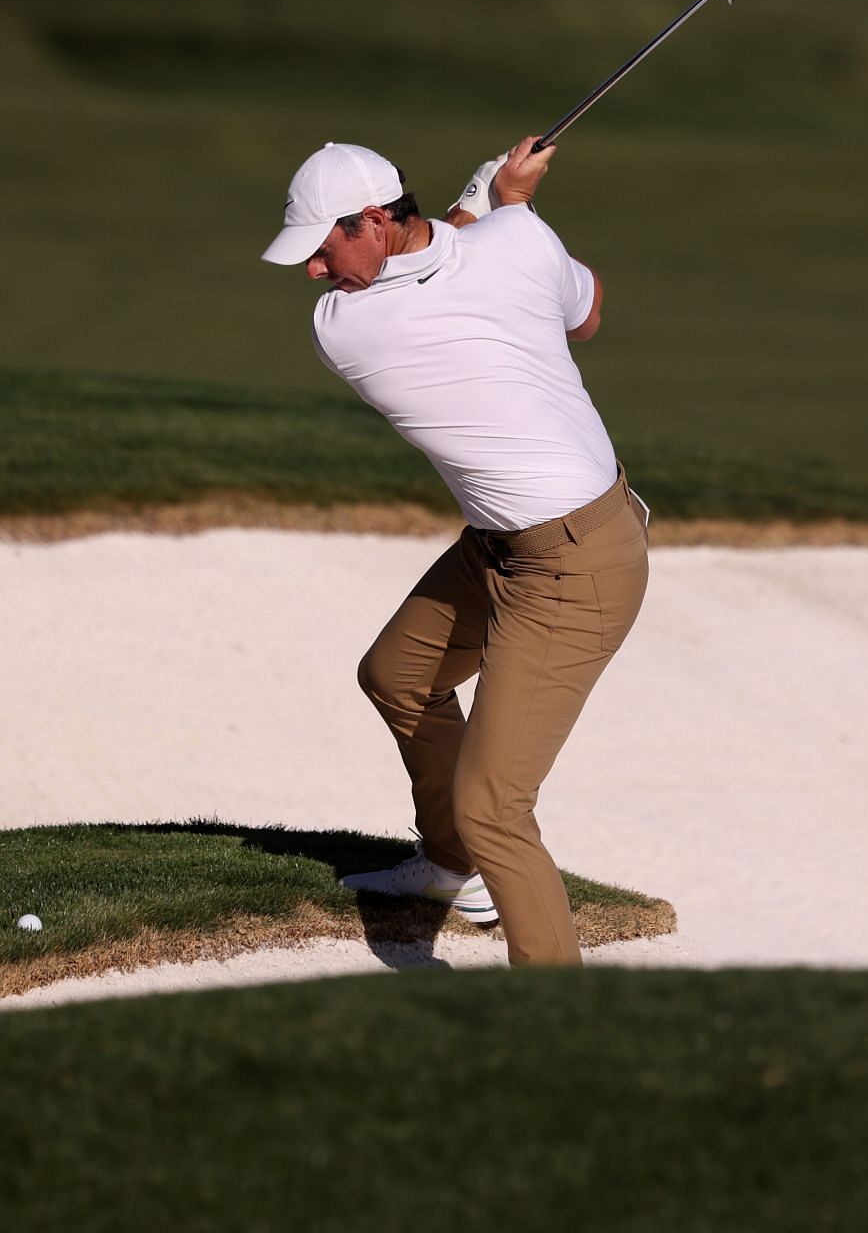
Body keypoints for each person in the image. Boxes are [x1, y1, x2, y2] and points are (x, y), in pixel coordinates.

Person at [260, 137, 649, 967]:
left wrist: (485, 206)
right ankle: (447, 871)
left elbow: (456, 267)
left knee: (494, 806)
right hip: (501, 548)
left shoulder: (351, 323)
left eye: (323, 249)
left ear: (371, 222)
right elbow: (587, 313)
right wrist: (511, 210)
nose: (315, 275)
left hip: (580, 565)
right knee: (397, 676)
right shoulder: (502, 247)